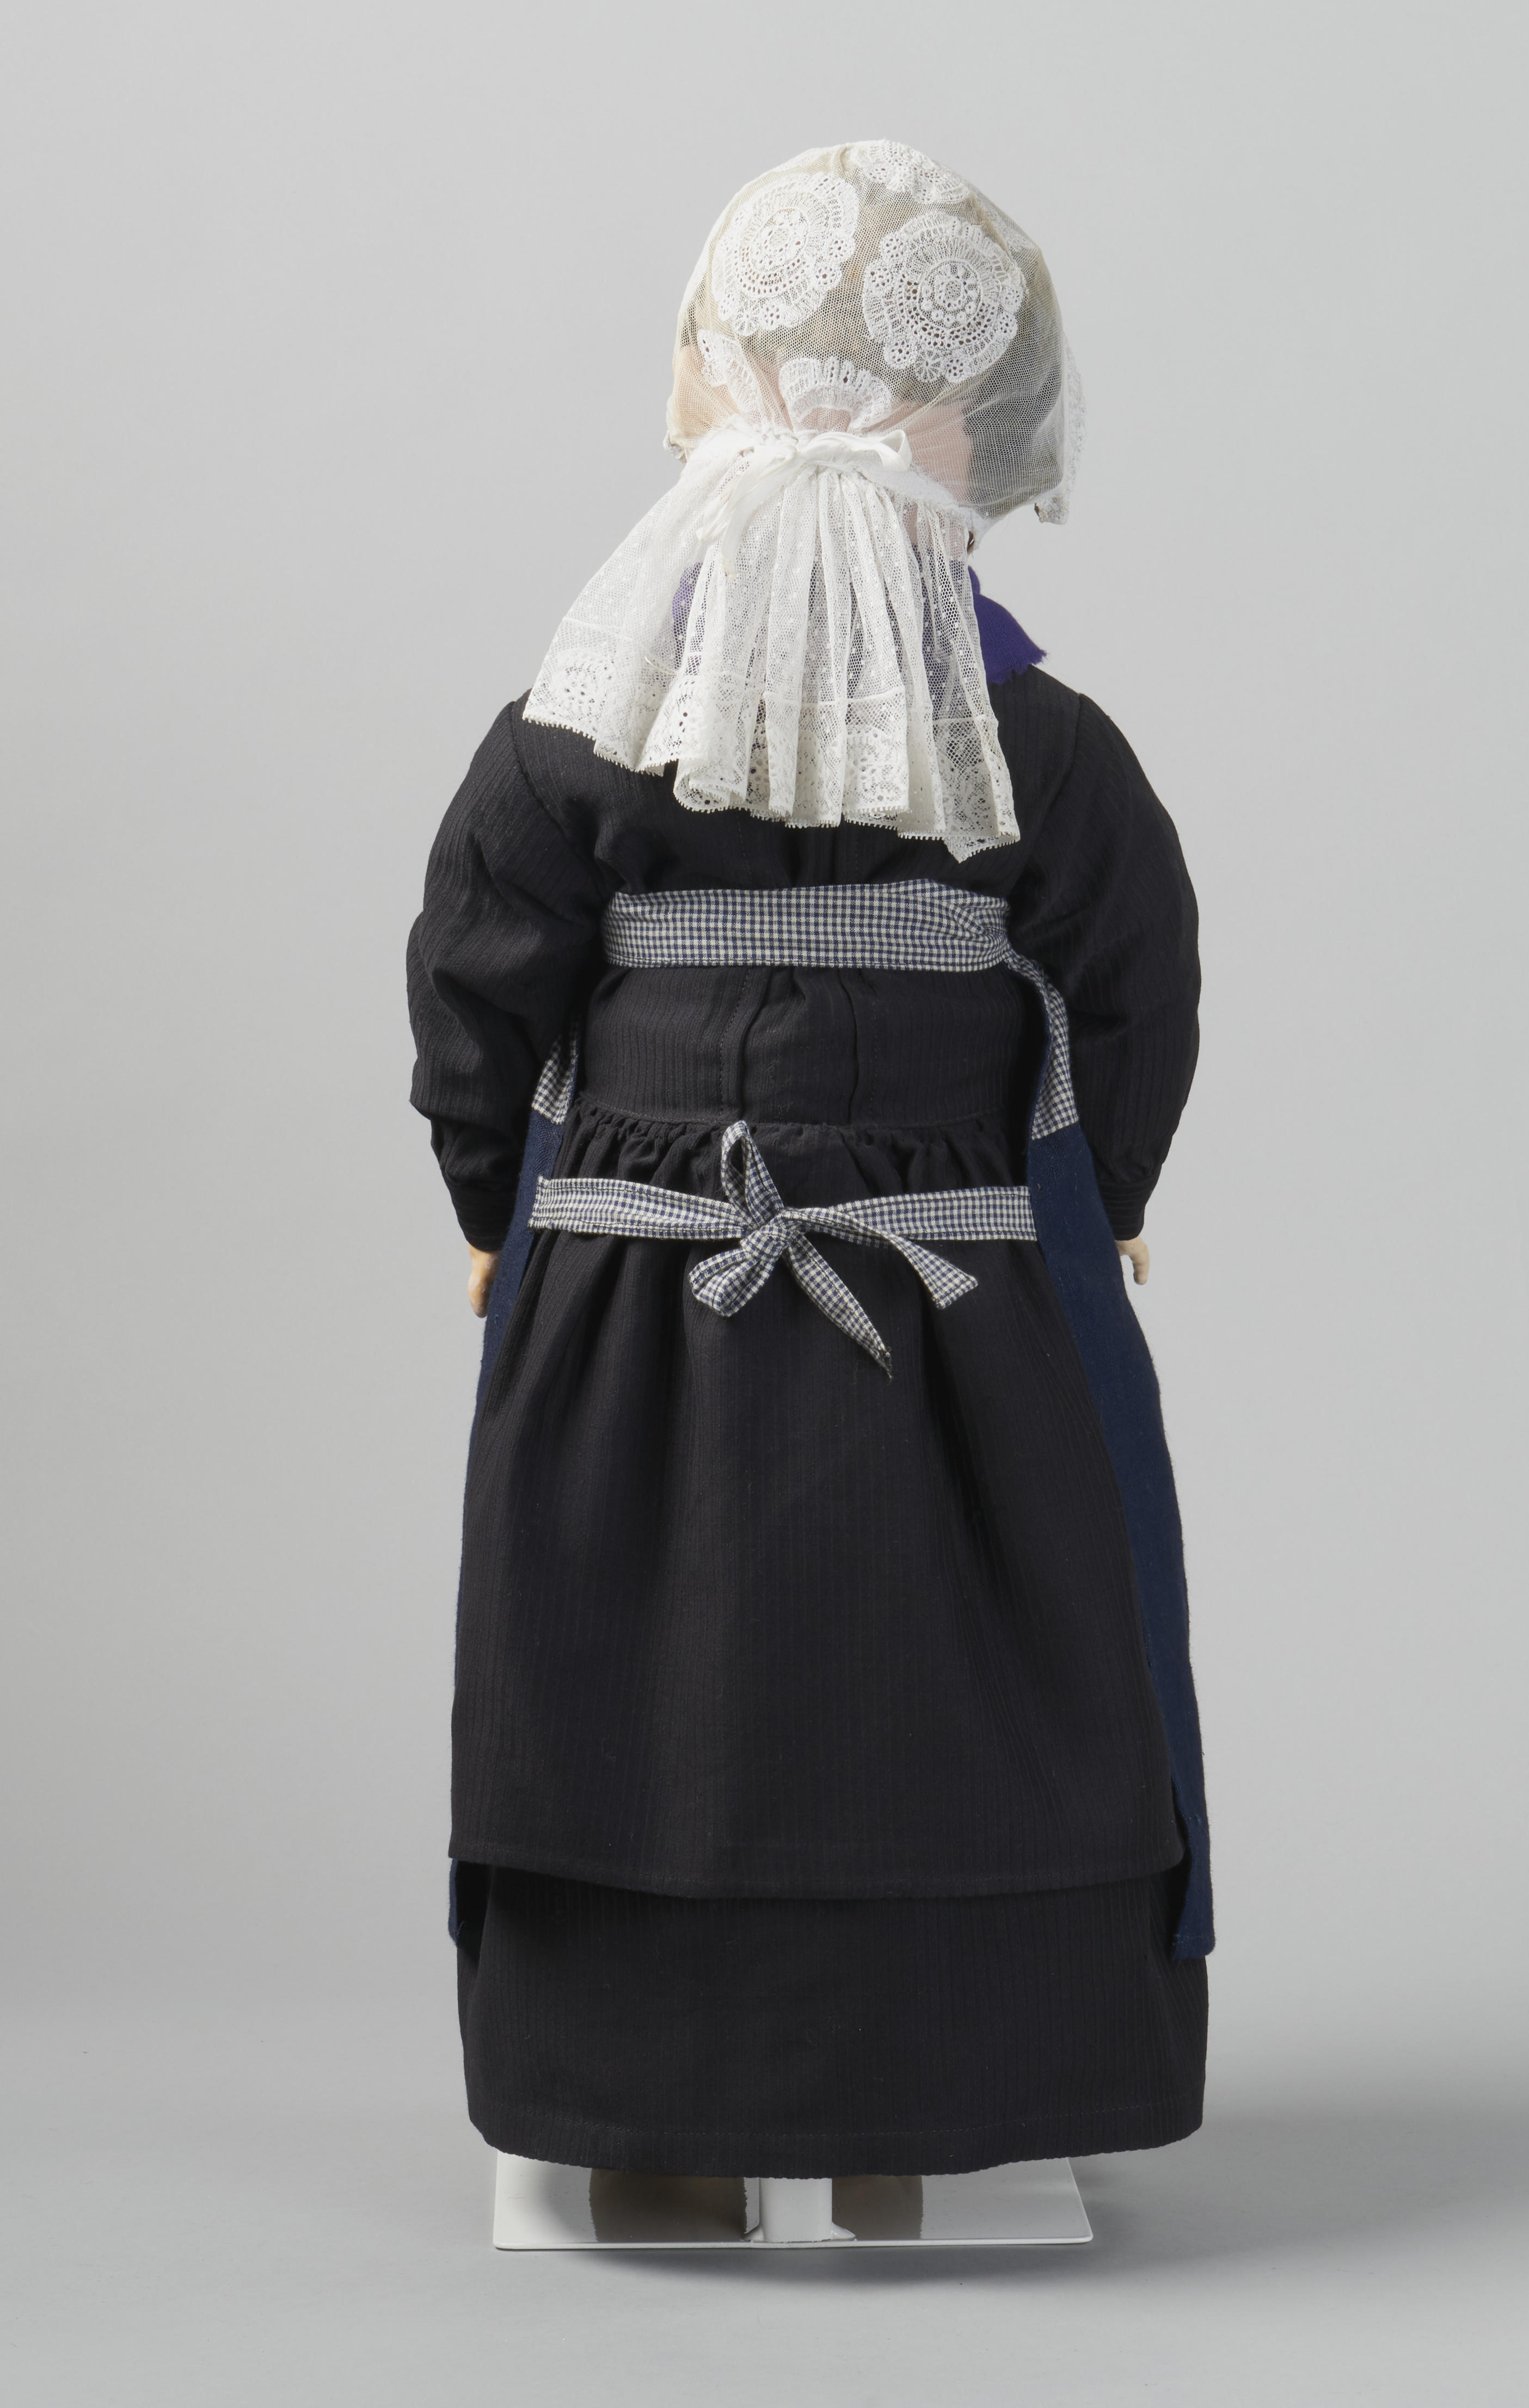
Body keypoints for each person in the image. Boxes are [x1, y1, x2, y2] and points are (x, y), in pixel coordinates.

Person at [408, 141, 1212, 2185]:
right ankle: (928, 2118)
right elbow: (1133, 991)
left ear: (715, 395)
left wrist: (497, 1206)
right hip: (964, 1293)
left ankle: (645, 2120)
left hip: (629, 1282)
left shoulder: (574, 735)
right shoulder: (1044, 749)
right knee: (955, 1670)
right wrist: (1093, 1203)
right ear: (966, 442)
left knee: (639, 1668)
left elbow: (477, 980)